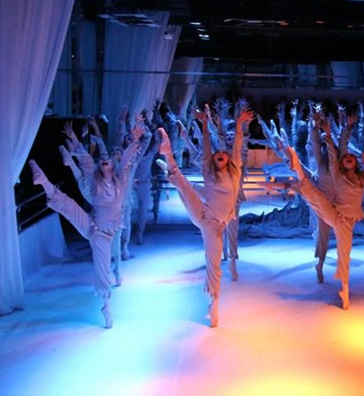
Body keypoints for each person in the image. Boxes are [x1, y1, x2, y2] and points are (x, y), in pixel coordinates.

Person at [28, 122, 144, 328]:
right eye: (103, 161)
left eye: (108, 160)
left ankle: (106, 306)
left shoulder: (120, 181)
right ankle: (43, 181)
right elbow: (86, 160)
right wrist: (73, 137)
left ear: (113, 167)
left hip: (104, 235)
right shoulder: (94, 182)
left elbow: (126, 159)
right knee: (69, 205)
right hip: (92, 225)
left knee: (103, 270)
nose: (105, 160)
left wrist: (135, 138)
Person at [156, 104, 253, 327]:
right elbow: (207, 148)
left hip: (216, 226)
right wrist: (205, 123)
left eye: (223, 154)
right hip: (204, 215)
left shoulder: (234, 172)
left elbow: (237, 148)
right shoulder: (208, 173)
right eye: (217, 154)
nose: (220, 154)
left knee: (214, 264)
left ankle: (213, 302)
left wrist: (240, 124)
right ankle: (168, 155)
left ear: (229, 160)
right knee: (186, 188)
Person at [285, 118, 364, 310]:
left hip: (346, 222)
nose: (348, 158)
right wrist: (327, 134)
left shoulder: (363, 178)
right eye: (346, 157)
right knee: (316, 198)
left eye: (351, 157)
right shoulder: (337, 174)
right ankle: (298, 170)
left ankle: (344, 288)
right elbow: (331, 153)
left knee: (344, 255)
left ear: (355, 162)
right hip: (333, 211)